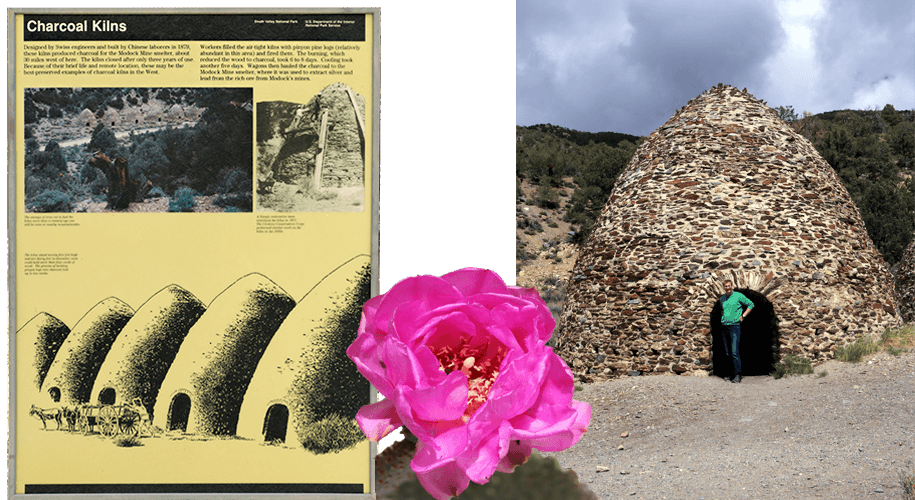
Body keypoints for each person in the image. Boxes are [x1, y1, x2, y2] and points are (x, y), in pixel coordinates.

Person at [720, 280, 754, 383]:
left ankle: (737, 375)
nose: (728, 288)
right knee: (727, 352)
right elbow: (722, 310)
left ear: (732, 286)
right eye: (726, 286)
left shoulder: (738, 296)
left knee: (734, 352)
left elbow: (751, 304)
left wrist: (743, 316)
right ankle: (730, 374)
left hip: (735, 326)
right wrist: (723, 318)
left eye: (729, 286)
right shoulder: (722, 299)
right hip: (724, 326)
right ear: (724, 288)